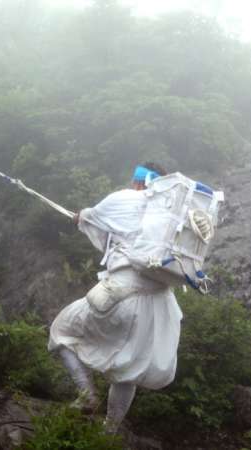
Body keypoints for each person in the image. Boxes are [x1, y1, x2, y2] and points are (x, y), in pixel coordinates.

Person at [48, 162, 183, 433]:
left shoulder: (124, 198)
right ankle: (109, 432)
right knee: (128, 369)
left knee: (61, 330)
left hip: (121, 296)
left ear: (138, 181)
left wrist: (79, 217)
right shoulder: (175, 216)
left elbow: (88, 218)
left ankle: (86, 395)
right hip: (159, 308)